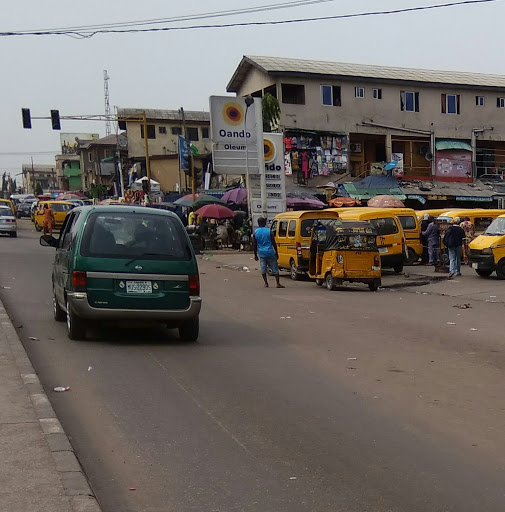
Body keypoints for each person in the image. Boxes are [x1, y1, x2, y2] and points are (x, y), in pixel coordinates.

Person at [253, 217, 285, 289]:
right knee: (275, 268)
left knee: (263, 268)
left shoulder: (256, 232)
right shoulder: (269, 231)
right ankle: (278, 283)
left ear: (258, 223)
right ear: (264, 223)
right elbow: (274, 243)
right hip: (270, 252)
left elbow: (254, 245)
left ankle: (266, 283)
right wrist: (276, 252)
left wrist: (255, 254)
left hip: (262, 253)